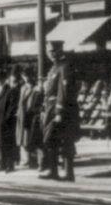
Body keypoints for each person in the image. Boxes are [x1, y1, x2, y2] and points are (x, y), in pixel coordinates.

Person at [40, 40, 79, 182]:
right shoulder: (55, 68)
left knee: (64, 140)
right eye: (49, 51)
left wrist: (59, 112)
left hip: (61, 110)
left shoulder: (64, 67)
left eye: (52, 51)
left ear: (59, 51)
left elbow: (64, 90)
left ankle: (68, 173)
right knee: (52, 140)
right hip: (51, 108)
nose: (50, 54)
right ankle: (54, 170)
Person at [0, 67, 22, 172]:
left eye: (0, 79)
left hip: (6, 121)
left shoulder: (10, 90)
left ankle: (10, 165)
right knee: (0, 143)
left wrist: (6, 119)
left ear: (4, 79)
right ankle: (3, 164)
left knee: (8, 143)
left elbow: (12, 107)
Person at [17, 66, 42, 169]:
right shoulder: (22, 88)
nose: (26, 78)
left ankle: (33, 160)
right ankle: (25, 159)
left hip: (31, 115)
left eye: (27, 76)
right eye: (24, 76)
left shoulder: (36, 88)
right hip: (22, 115)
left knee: (31, 138)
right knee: (22, 137)